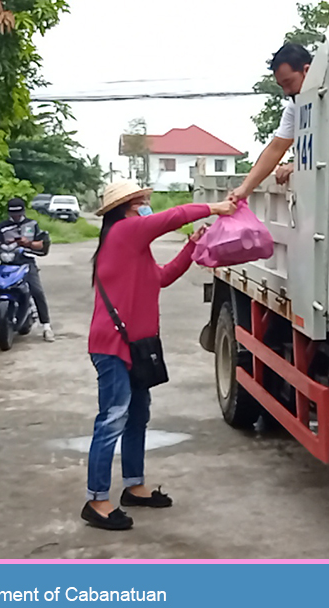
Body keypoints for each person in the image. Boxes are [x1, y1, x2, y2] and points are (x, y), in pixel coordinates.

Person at [83, 180, 236, 531]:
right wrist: (216, 207)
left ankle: (134, 485)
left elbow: (163, 278)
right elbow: (173, 216)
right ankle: (97, 500)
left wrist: (192, 245)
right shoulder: (124, 233)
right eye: (143, 203)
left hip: (137, 347)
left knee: (137, 416)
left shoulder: (135, 249)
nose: (147, 207)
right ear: (126, 207)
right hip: (113, 347)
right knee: (112, 419)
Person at [227, 42, 313, 205]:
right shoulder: (295, 107)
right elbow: (276, 148)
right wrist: (244, 190)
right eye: (282, 86)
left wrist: (299, 166)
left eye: (289, 82)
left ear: (307, 71)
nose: (286, 92)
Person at [0, 198, 56, 343]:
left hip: (25, 262)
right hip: (6, 263)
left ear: (23, 211)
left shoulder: (32, 224)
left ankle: (46, 327)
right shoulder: (3, 226)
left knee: (37, 291)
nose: (16, 216)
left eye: (18, 213)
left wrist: (29, 243)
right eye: (13, 214)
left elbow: (40, 244)